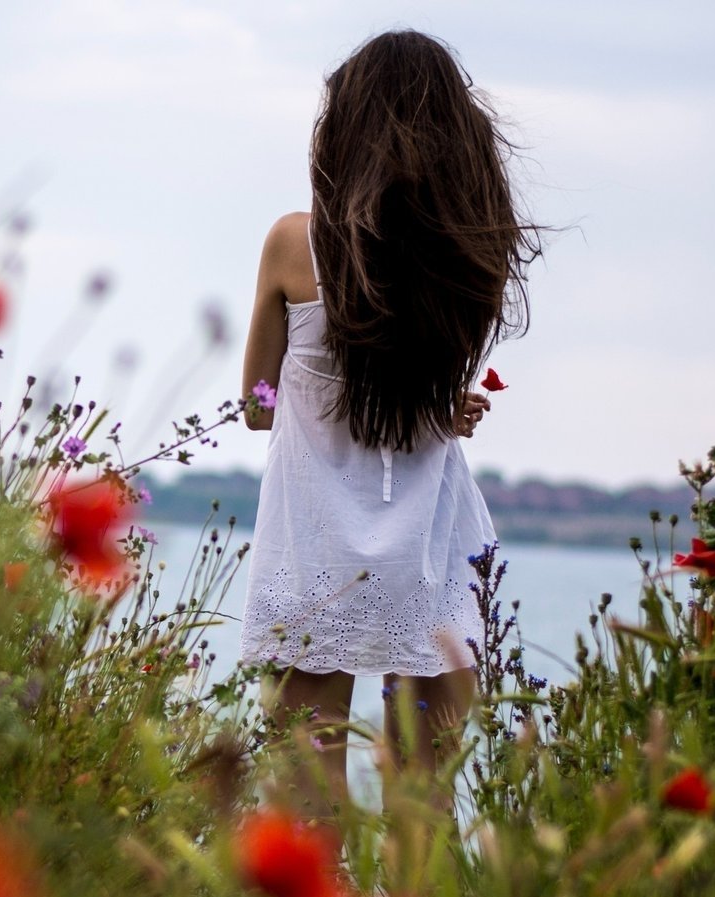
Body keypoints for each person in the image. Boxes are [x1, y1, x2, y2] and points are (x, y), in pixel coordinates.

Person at [237, 29, 539, 827]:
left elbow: (258, 405)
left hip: (313, 549)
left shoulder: (292, 243)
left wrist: (306, 390)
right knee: (424, 797)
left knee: (306, 791)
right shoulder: (465, 257)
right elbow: (407, 397)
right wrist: (444, 412)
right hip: (431, 545)